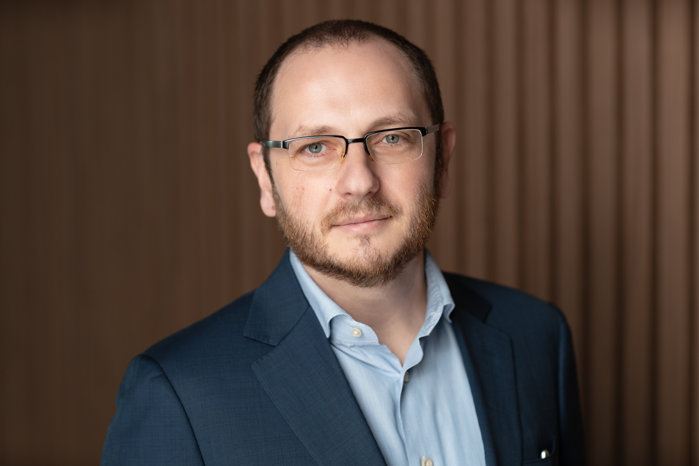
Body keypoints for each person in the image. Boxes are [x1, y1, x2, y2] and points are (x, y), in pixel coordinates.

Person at [102, 19, 584, 466]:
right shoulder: (178, 394)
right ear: (265, 178)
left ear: (442, 160)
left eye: (391, 138)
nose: (359, 182)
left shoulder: (537, 336)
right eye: (315, 146)